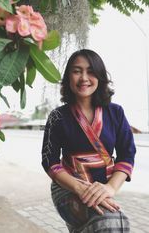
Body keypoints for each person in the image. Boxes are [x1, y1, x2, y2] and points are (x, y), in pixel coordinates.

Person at [41, 49, 136, 232]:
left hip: (103, 190)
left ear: (100, 77)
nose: (84, 77)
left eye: (91, 71)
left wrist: (110, 188)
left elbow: (127, 153)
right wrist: (79, 188)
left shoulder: (115, 112)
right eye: (77, 71)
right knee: (113, 222)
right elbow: (49, 161)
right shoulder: (57, 117)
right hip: (67, 190)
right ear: (69, 77)